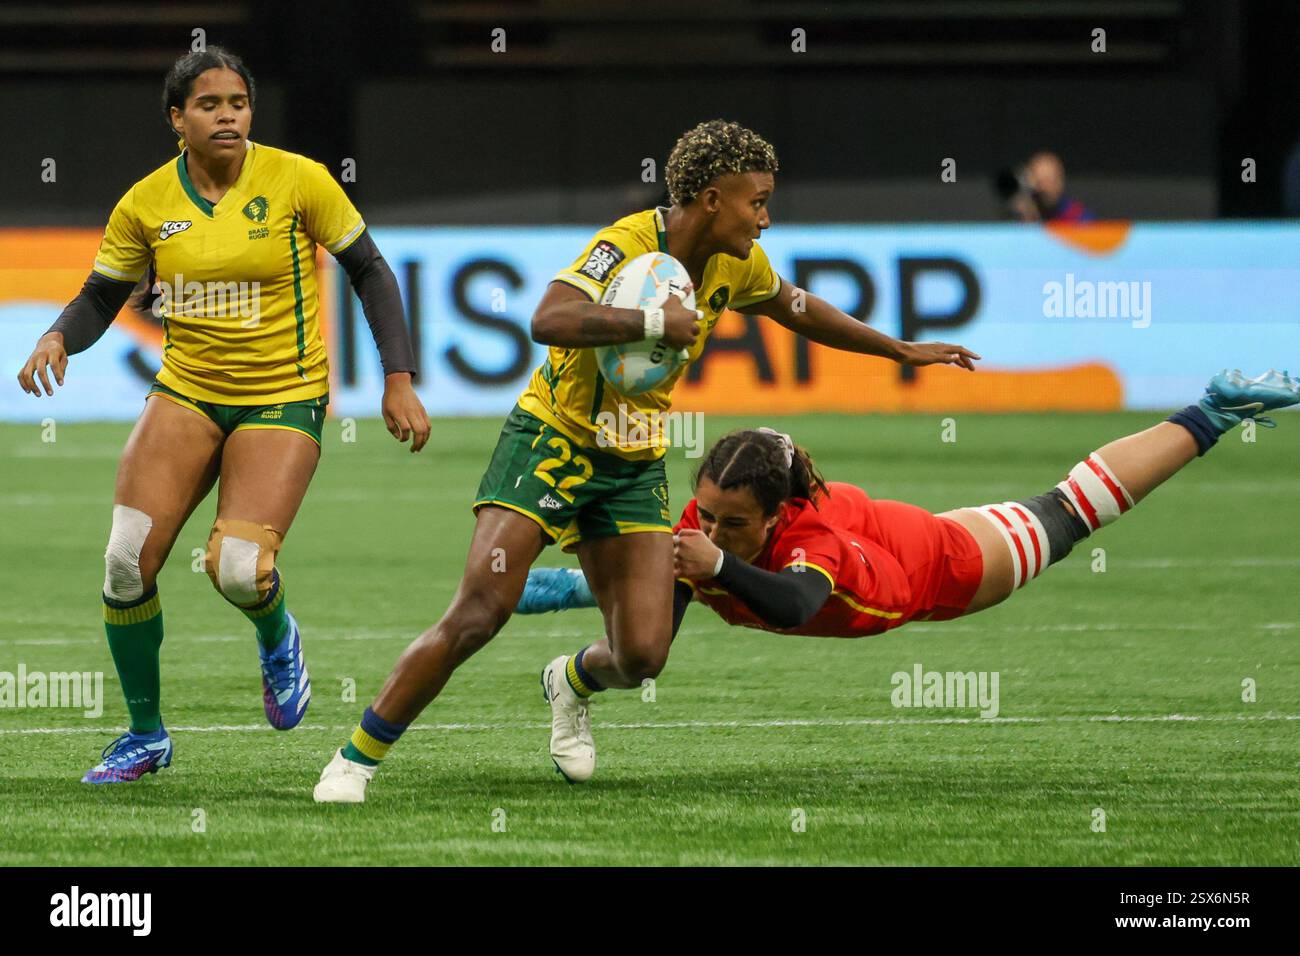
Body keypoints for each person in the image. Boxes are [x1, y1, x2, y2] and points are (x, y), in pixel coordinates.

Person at [313, 119, 981, 801]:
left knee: (642, 655)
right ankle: (355, 760)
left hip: (633, 463)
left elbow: (796, 307)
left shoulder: (736, 262)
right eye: (756, 201)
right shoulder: (625, 245)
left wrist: (896, 348)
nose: (766, 218)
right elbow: (547, 320)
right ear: (713, 199)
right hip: (552, 442)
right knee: (481, 611)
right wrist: (652, 322)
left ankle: (569, 682)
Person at [518, 369, 1299, 764]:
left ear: (776, 514)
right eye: (707, 512)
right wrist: (599, 586)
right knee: (642, 656)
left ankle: (1214, 412)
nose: (711, 525)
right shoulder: (714, 523)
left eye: (734, 522)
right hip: (885, 538)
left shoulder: (807, 546)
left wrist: (711, 559)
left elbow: (791, 605)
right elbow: (666, 605)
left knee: (1071, 511)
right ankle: (570, 683)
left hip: (943, 567)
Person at [15, 47, 430, 784]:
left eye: (238, 102)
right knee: (123, 561)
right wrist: (56, 336)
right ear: (178, 119)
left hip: (283, 393)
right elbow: (102, 297)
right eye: (210, 105)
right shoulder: (146, 202)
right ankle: (145, 735)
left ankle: (277, 636)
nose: (229, 115)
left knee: (237, 570)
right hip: (185, 393)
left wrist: (398, 378)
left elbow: (369, 268)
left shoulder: (299, 179)